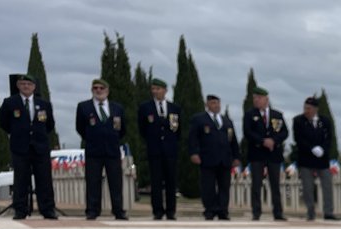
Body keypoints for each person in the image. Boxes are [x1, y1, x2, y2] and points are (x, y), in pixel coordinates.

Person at [0, 74, 56, 220]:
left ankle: (47, 209)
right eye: (23, 84)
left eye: (29, 84)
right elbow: (4, 123)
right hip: (20, 147)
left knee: (44, 179)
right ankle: (20, 210)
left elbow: (49, 125)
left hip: (40, 147)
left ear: (34, 87)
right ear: (18, 86)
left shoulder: (44, 104)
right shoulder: (10, 103)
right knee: (20, 179)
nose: (26, 86)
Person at [75, 78, 127, 220]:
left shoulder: (117, 108)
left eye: (101, 88)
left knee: (116, 182)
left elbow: (122, 130)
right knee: (93, 182)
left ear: (107, 91)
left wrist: (111, 138)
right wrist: (93, 137)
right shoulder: (84, 107)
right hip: (93, 150)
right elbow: (80, 128)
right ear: (92, 90)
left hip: (112, 150)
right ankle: (92, 210)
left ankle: (118, 210)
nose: (98, 90)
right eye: (95, 88)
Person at [188, 95, 239, 221]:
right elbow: (193, 138)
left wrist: (236, 156)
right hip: (207, 158)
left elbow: (233, 140)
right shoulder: (199, 119)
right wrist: (194, 153)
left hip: (225, 159)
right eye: (213, 103)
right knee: (208, 186)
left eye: (217, 103)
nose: (216, 105)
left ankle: (223, 210)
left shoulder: (227, 121)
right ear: (207, 105)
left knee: (224, 186)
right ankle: (210, 210)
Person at [137, 78, 181, 220]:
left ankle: (171, 211)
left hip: (170, 150)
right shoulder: (145, 108)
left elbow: (177, 130)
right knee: (155, 182)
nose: (155, 91)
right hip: (154, 149)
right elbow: (142, 129)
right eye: (153, 89)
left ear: (165, 90)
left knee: (170, 181)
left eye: (158, 89)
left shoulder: (174, 108)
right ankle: (157, 211)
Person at [243, 86, 288, 221]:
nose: (256, 100)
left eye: (259, 98)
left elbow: (284, 132)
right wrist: (263, 141)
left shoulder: (277, 115)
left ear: (266, 99)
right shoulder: (250, 114)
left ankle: (278, 213)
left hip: (273, 154)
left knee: (275, 184)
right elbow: (248, 132)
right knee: (256, 184)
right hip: (257, 153)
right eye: (255, 98)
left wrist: (273, 141)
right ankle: (256, 212)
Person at [292, 97, 339, 222]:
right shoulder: (298, 121)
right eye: (305, 108)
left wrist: (323, 149)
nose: (306, 111)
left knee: (327, 186)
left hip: (322, 159)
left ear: (315, 109)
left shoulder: (325, 121)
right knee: (307, 188)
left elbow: (329, 138)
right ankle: (310, 212)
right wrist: (312, 148)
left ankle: (328, 212)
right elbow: (298, 139)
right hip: (306, 158)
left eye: (309, 108)